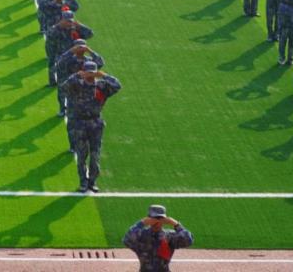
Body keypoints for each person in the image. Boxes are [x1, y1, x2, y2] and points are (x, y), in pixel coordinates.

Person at [60, 60, 121, 193]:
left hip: (95, 123)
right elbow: (64, 87)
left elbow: (117, 86)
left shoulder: (102, 86)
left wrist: (104, 75)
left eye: (92, 72)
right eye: (88, 72)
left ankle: (92, 182)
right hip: (79, 123)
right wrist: (77, 75)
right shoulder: (77, 84)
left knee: (95, 156)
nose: (90, 75)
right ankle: (83, 182)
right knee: (81, 156)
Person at [123, 205, 194, 272]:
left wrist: (176, 224)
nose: (157, 222)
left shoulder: (169, 236)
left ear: (164, 220)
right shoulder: (141, 235)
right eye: (154, 218)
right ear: (149, 219)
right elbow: (126, 239)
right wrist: (141, 223)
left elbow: (188, 240)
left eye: (160, 219)